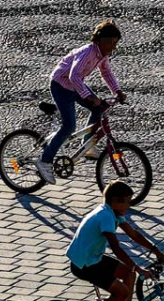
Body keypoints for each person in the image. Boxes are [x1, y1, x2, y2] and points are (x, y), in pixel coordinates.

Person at [67, 180, 164, 301]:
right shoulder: (105, 216)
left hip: (93, 258)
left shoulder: (113, 213)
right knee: (121, 292)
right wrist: (139, 268)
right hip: (83, 264)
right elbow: (116, 247)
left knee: (129, 273)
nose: (129, 205)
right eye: (127, 201)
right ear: (115, 201)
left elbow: (134, 234)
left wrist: (156, 250)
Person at [37, 19, 127, 185]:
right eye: (109, 42)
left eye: (115, 43)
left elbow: (106, 72)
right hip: (61, 85)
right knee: (69, 126)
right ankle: (44, 160)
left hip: (74, 85)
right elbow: (74, 76)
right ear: (99, 40)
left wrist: (117, 91)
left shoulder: (102, 54)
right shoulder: (88, 52)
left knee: (98, 109)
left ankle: (88, 145)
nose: (113, 47)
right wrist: (88, 96)